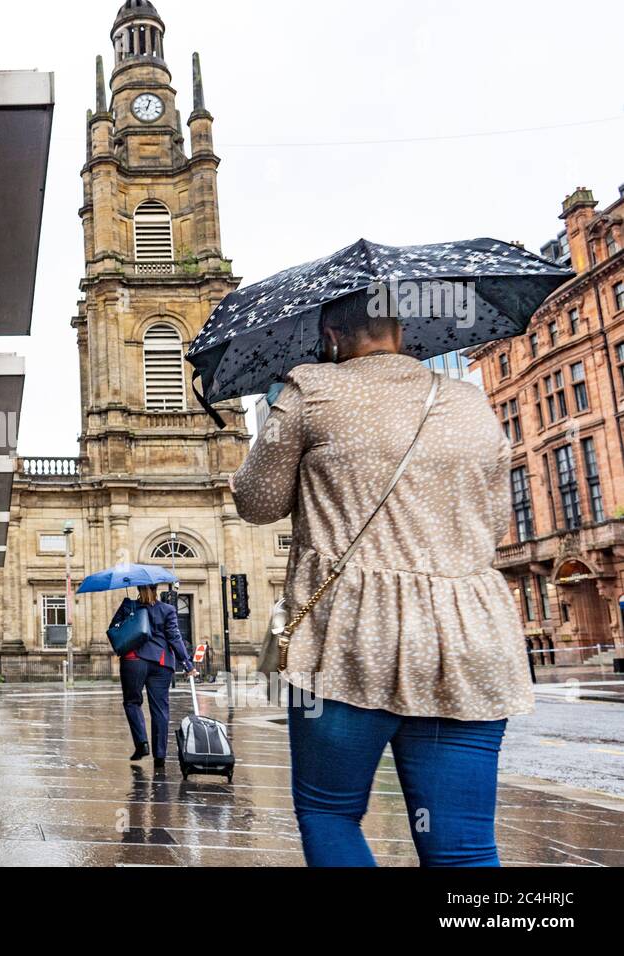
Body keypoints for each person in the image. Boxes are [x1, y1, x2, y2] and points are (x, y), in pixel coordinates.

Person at [230, 293, 534, 867]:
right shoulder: (469, 402)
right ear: (402, 330)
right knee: (464, 848)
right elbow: (495, 523)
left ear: (331, 336)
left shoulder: (310, 390)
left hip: (351, 639)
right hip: (466, 640)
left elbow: (258, 502)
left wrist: (276, 419)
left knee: (331, 813)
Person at [111, 584, 193, 768]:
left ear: (138, 589)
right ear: (157, 589)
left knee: (132, 702)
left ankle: (142, 743)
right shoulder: (168, 609)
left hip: (134, 660)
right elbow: (174, 636)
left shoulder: (128, 606)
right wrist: (187, 664)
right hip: (161, 662)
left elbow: (114, 629)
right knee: (160, 709)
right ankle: (160, 755)